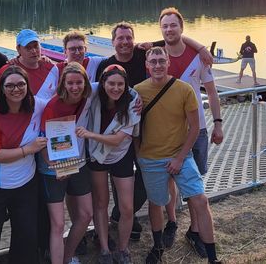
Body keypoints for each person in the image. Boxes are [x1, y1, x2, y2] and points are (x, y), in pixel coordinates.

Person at [95, 22, 214, 242]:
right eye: (120, 38)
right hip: (118, 134)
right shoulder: (106, 65)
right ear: (113, 42)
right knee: (121, 183)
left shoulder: (143, 54)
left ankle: (146, 219)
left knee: (145, 185)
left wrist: (201, 48)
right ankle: (124, 221)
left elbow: (175, 38)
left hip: (146, 132)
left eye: (128, 37)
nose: (124, 42)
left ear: (133, 39)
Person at [135, 47, 221, 264]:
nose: (157, 65)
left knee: (200, 200)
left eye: (161, 61)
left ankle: (213, 258)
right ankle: (158, 247)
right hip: (150, 158)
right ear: (147, 65)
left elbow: (194, 128)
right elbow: (133, 126)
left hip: (180, 155)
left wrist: (180, 158)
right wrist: (139, 155)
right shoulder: (137, 91)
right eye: (153, 61)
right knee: (156, 203)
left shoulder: (184, 90)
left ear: (168, 63)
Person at [158, 7, 224, 256]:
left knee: (196, 184)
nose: (169, 29)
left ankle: (195, 230)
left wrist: (218, 123)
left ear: (181, 28)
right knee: (168, 181)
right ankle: (172, 221)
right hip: (167, 133)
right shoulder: (157, 57)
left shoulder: (199, 58)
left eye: (173, 25)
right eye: (165, 26)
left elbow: (212, 92)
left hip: (198, 130)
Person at [0, 65, 49, 263]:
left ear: (27, 85)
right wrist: (28, 149)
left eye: (21, 84)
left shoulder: (38, 105)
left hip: (26, 184)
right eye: (10, 86)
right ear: (1, 88)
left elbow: (65, 102)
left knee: (27, 236)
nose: (16, 89)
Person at [76, 65, 142, 264]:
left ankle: (123, 249)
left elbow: (117, 140)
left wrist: (89, 134)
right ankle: (104, 248)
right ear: (103, 83)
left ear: (126, 84)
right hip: (97, 156)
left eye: (120, 84)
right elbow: (75, 86)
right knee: (101, 203)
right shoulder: (94, 95)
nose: (115, 88)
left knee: (127, 207)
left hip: (121, 155)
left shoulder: (132, 101)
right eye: (111, 83)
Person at [39, 62, 95, 264]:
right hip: (51, 167)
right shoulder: (53, 105)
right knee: (58, 223)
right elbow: (43, 142)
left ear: (85, 82)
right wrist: (55, 167)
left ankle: (66, 257)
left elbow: (117, 86)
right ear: (63, 84)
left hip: (77, 162)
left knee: (86, 214)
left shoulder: (88, 96)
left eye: (78, 82)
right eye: (70, 83)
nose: (74, 87)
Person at [0, 29, 57, 100]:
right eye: (28, 48)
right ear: (18, 49)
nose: (33, 51)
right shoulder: (5, 71)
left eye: (36, 46)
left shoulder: (51, 68)